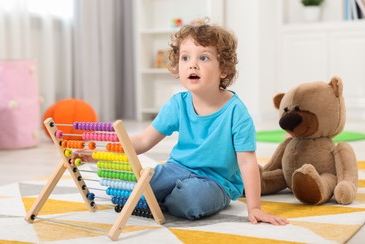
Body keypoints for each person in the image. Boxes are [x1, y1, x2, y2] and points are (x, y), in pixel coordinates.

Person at [72, 19, 288, 225]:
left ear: (223, 69)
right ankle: (162, 195)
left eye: (203, 58)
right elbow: (144, 140)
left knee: (189, 200)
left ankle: (167, 198)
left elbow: (247, 162)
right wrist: (102, 154)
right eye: (185, 58)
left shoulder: (237, 113)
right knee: (137, 187)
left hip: (216, 181)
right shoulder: (178, 104)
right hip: (177, 169)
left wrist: (255, 208)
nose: (192, 65)